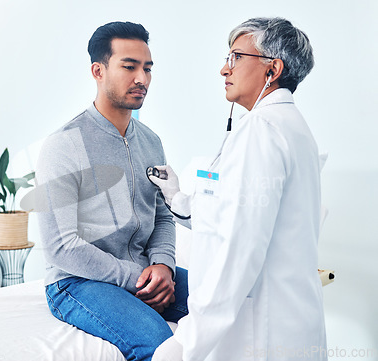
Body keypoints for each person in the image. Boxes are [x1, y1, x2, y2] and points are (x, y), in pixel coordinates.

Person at [150, 17, 327, 361]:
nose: (223, 69)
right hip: (291, 324)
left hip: (262, 333)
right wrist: (177, 197)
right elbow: (230, 212)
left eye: (235, 57)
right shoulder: (292, 127)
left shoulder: (261, 131)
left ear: (272, 69)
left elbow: (237, 247)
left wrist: (188, 340)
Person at [35, 21, 188, 361]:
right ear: (98, 70)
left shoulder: (151, 141)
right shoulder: (63, 146)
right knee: (162, 346)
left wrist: (163, 266)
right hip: (76, 282)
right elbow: (60, 246)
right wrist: (139, 277)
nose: (142, 79)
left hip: (146, 271)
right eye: (129, 66)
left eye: (147, 68)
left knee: (228, 306)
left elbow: (163, 214)